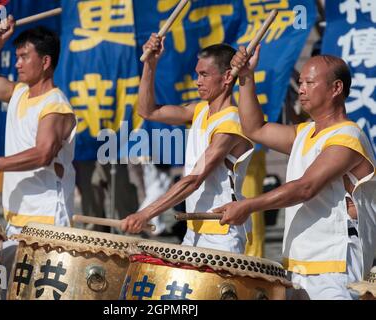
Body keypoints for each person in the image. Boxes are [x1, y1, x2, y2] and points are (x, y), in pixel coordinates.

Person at [214, 45, 376, 299]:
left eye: (310, 82)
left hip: (335, 266)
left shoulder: (348, 136)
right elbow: (255, 129)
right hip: (299, 263)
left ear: (336, 89)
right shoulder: (304, 133)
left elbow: (306, 188)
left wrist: (247, 206)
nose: (301, 89)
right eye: (300, 82)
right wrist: (245, 77)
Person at [0, 16, 77, 284]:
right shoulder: (18, 92)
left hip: (47, 219)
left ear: (46, 61)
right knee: (7, 289)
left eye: (24, 57)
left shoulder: (56, 105)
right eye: (16, 56)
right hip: (16, 218)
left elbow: (43, 154)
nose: (17, 63)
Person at [120, 34, 254, 253]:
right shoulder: (200, 109)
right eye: (197, 74)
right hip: (194, 230)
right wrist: (150, 65)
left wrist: (146, 213)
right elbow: (148, 111)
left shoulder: (231, 122)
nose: (197, 81)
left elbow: (194, 179)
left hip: (222, 234)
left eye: (204, 75)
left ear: (228, 77)